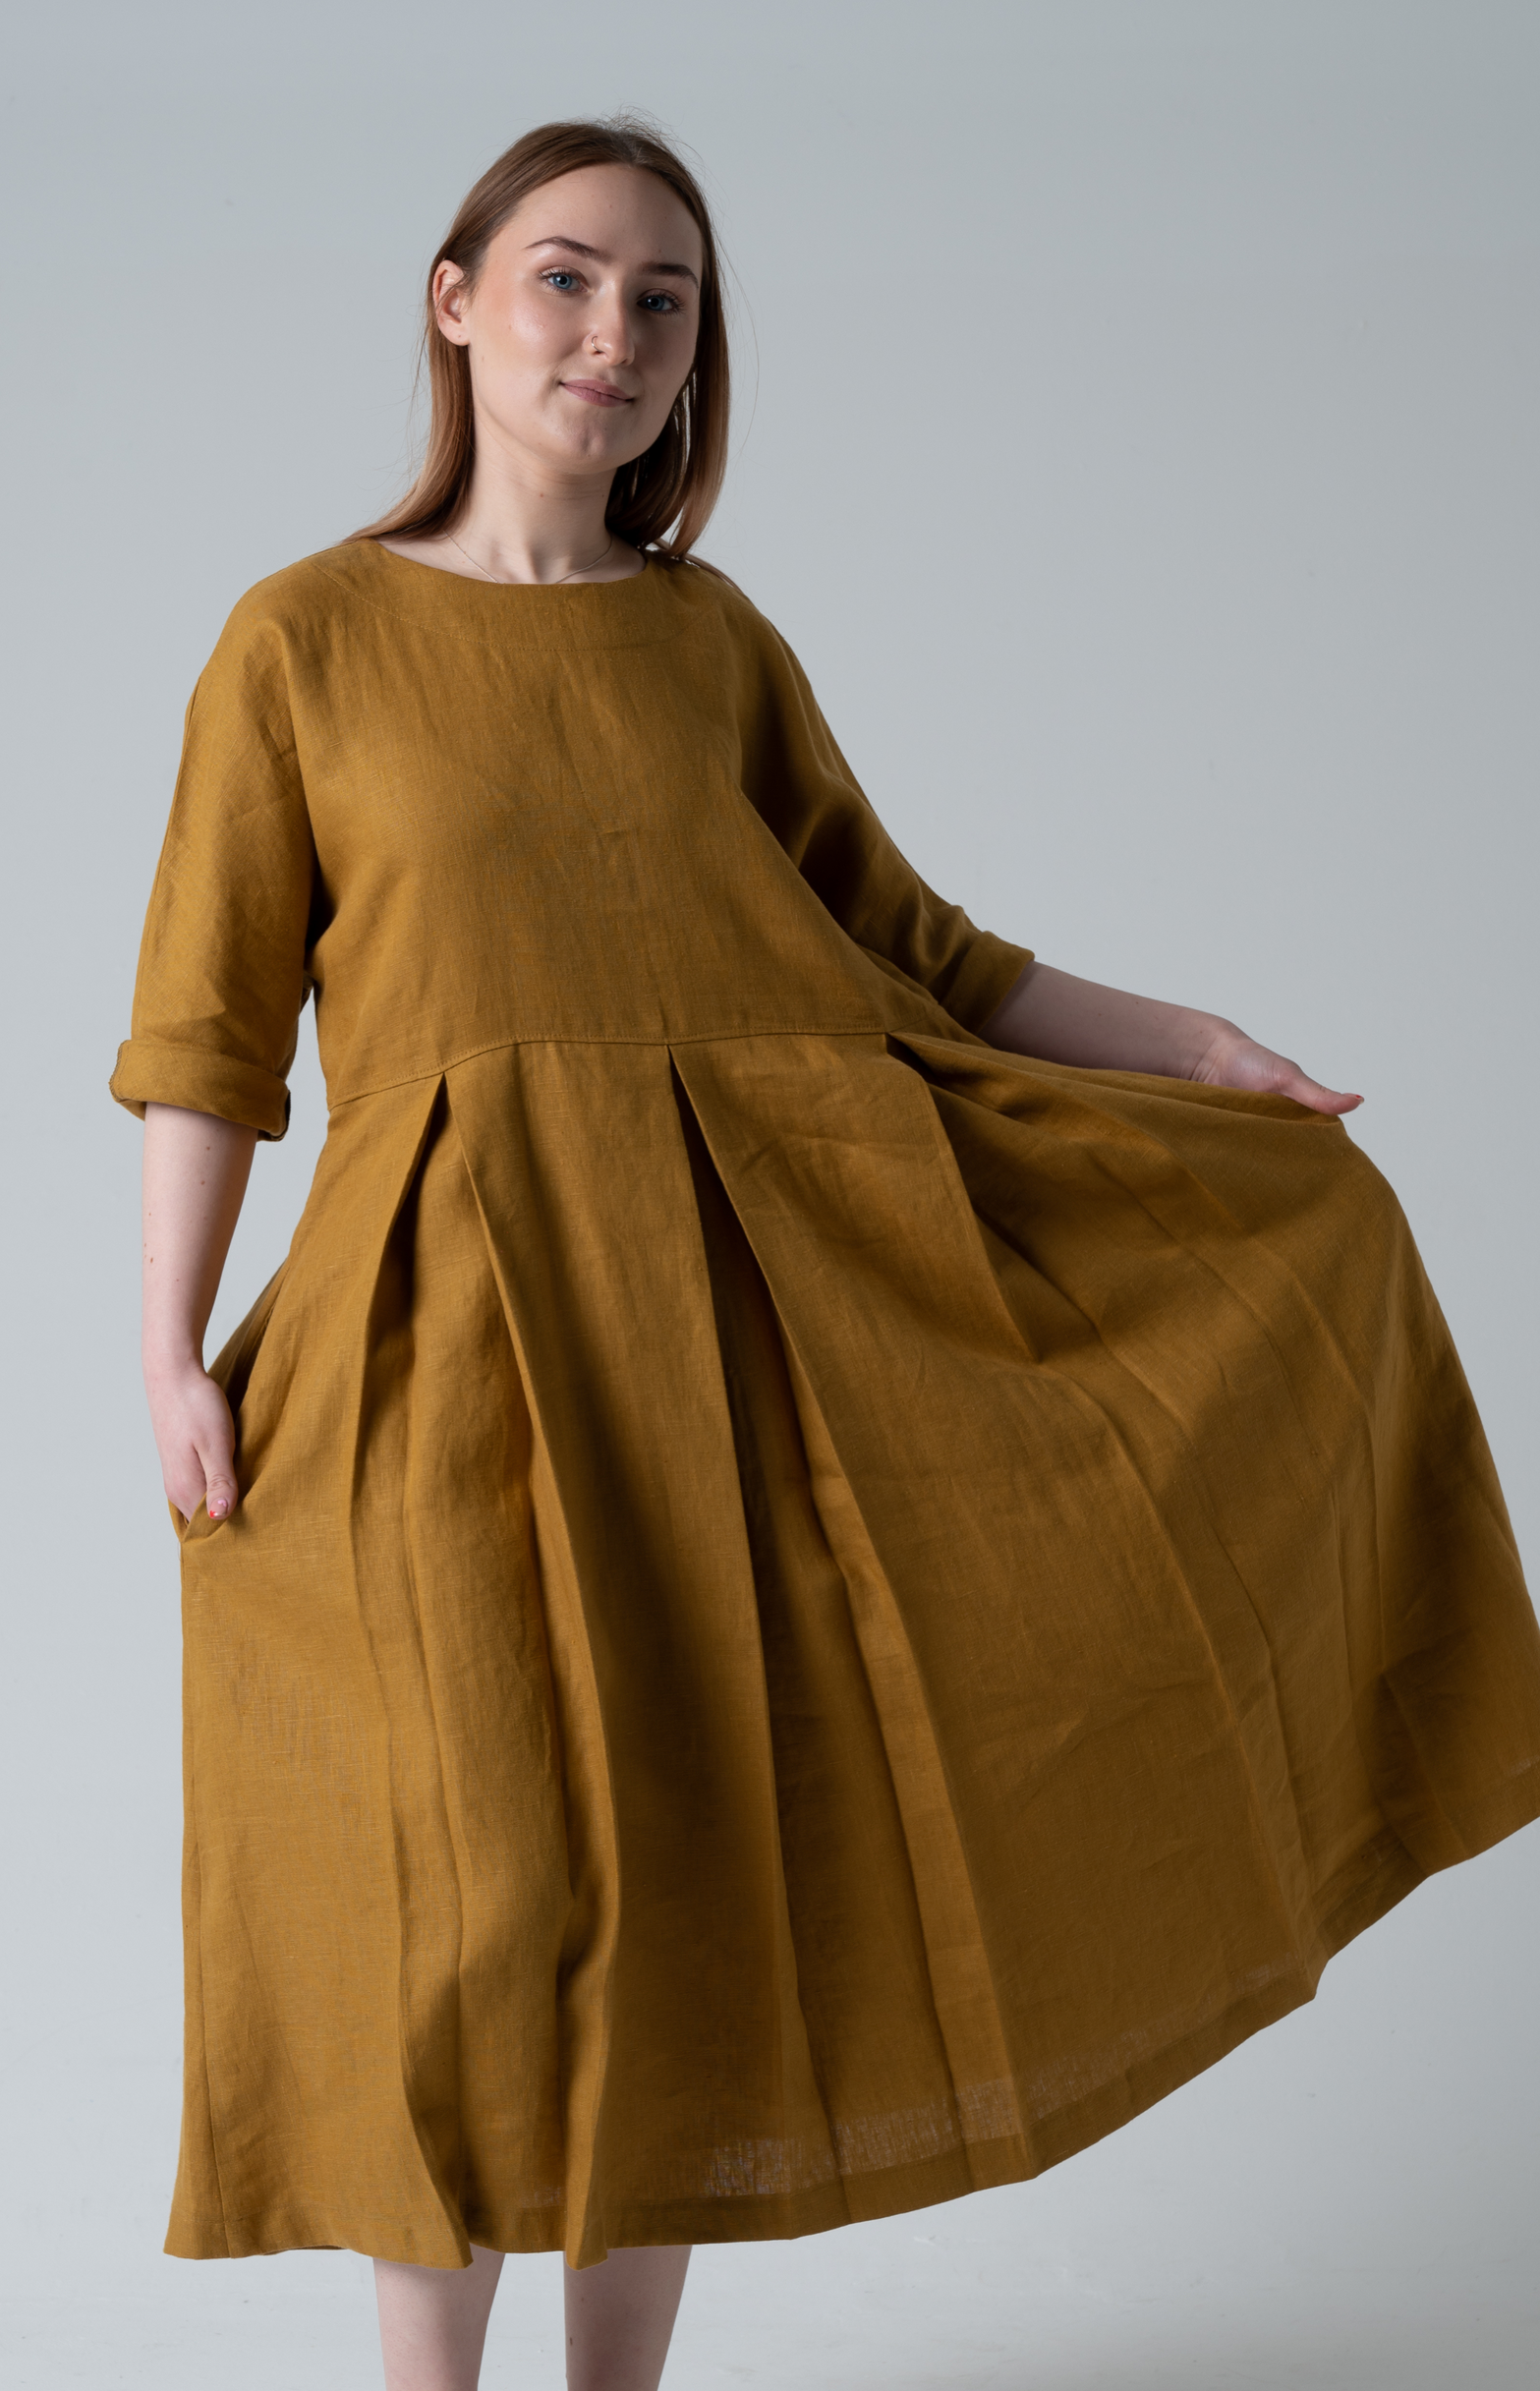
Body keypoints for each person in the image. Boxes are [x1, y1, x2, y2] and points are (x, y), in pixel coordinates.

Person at [109, 116, 1540, 2391]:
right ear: (453, 300)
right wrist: (171, 1346)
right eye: (567, 276)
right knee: (464, 1906)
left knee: (680, 1887)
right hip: (442, 1340)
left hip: (724, 1328)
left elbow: (914, 952)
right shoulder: (304, 641)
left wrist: (1190, 1046)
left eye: (661, 298)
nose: (612, 331)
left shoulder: (709, 645)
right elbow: (207, 1027)